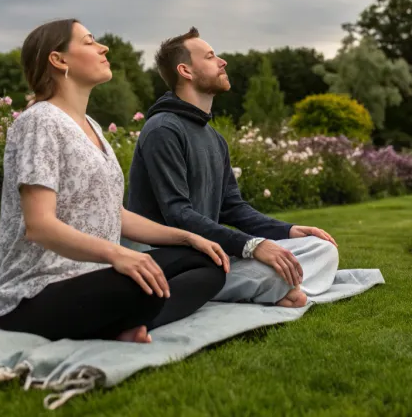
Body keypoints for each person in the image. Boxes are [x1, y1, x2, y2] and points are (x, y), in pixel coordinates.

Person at [0, 19, 230, 344]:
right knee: (144, 285)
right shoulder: (39, 122)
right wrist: (117, 255)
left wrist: (188, 238)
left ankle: (129, 323)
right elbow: (40, 226)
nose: (103, 48)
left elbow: (112, 213)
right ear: (58, 60)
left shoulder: (90, 125)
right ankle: (132, 318)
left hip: (94, 276)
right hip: (36, 292)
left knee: (207, 261)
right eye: (89, 42)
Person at [127, 27, 338, 308]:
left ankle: (282, 286)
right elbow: (177, 213)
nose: (222, 61)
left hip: (211, 252)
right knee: (270, 269)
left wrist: (288, 230)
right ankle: (277, 285)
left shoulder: (214, 138)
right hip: (170, 258)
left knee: (321, 248)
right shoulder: (163, 129)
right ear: (186, 71)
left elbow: (233, 208)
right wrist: (251, 246)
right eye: (211, 56)